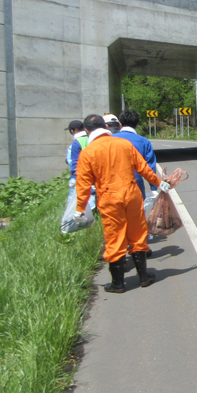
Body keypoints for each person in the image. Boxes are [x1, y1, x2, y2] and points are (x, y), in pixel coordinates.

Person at [74, 114, 171, 293]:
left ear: (87, 131)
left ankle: (118, 283)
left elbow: (83, 184)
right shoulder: (125, 144)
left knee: (115, 236)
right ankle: (144, 277)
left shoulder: (88, 152)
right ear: (105, 126)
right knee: (137, 233)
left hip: (109, 199)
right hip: (132, 194)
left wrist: (80, 208)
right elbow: (144, 169)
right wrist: (160, 184)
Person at [114, 109, 157, 200]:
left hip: (112, 188)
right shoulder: (144, 142)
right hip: (136, 187)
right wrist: (154, 188)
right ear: (137, 125)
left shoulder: (108, 140)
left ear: (120, 123)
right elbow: (150, 167)